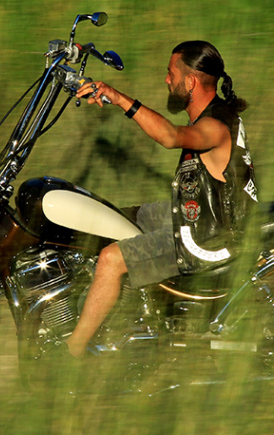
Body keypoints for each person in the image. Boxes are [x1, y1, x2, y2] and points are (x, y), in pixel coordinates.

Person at [65, 40, 258, 358]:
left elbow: (170, 136)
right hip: (199, 218)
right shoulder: (215, 114)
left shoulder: (215, 125)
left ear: (190, 81)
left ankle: (72, 352)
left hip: (210, 238)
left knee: (111, 260)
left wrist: (116, 97)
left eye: (171, 74)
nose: (167, 80)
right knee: (116, 219)